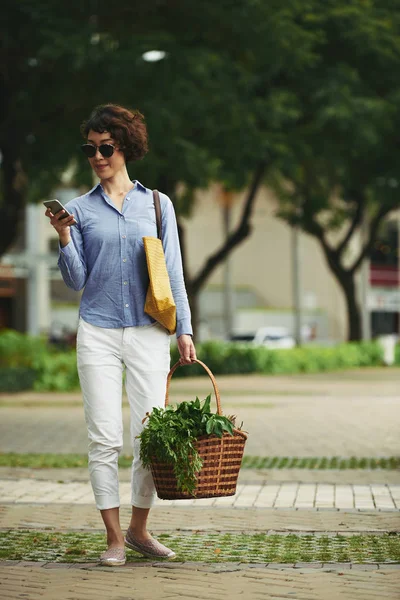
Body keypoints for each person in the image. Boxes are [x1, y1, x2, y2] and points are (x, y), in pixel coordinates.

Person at [46, 104, 196, 566]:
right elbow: (76, 280)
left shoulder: (157, 204)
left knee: (150, 436)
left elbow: (173, 271)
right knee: (104, 437)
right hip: (98, 331)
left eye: (106, 147)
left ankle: (139, 530)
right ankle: (113, 538)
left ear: (125, 147)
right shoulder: (78, 210)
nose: (97, 156)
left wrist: (185, 330)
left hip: (150, 331)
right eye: (90, 149)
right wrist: (65, 238)